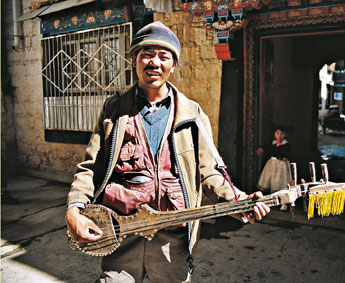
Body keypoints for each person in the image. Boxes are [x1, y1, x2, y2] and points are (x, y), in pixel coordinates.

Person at [65, 21, 270, 283]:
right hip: (122, 234)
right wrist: (74, 208)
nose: (154, 62)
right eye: (147, 54)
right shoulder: (114, 110)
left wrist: (238, 200)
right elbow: (91, 167)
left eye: (164, 56)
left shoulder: (192, 115)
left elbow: (210, 172)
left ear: (173, 65)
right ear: (134, 60)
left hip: (172, 241)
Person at [256, 127, 293, 196]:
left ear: (285, 135)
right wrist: (262, 149)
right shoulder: (273, 144)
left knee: (282, 181)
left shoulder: (286, 145)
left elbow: (284, 153)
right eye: (277, 133)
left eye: (281, 134)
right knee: (272, 180)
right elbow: (268, 149)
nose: (279, 135)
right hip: (273, 165)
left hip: (282, 165)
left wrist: (279, 147)